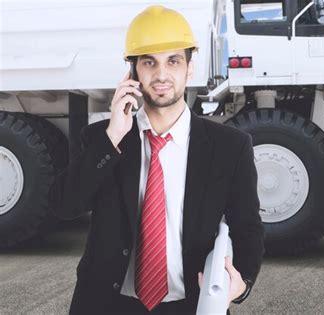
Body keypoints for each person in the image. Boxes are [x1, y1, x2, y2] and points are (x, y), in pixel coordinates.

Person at [49, 5, 265, 314]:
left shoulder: (230, 147)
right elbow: (63, 205)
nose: (161, 74)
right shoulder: (102, 139)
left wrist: (242, 284)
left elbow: (248, 227)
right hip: (108, 305)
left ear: (189, 69)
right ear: (132, 72)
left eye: (173, 61)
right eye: (149, 62)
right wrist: (113, 137)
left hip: (192, 305)